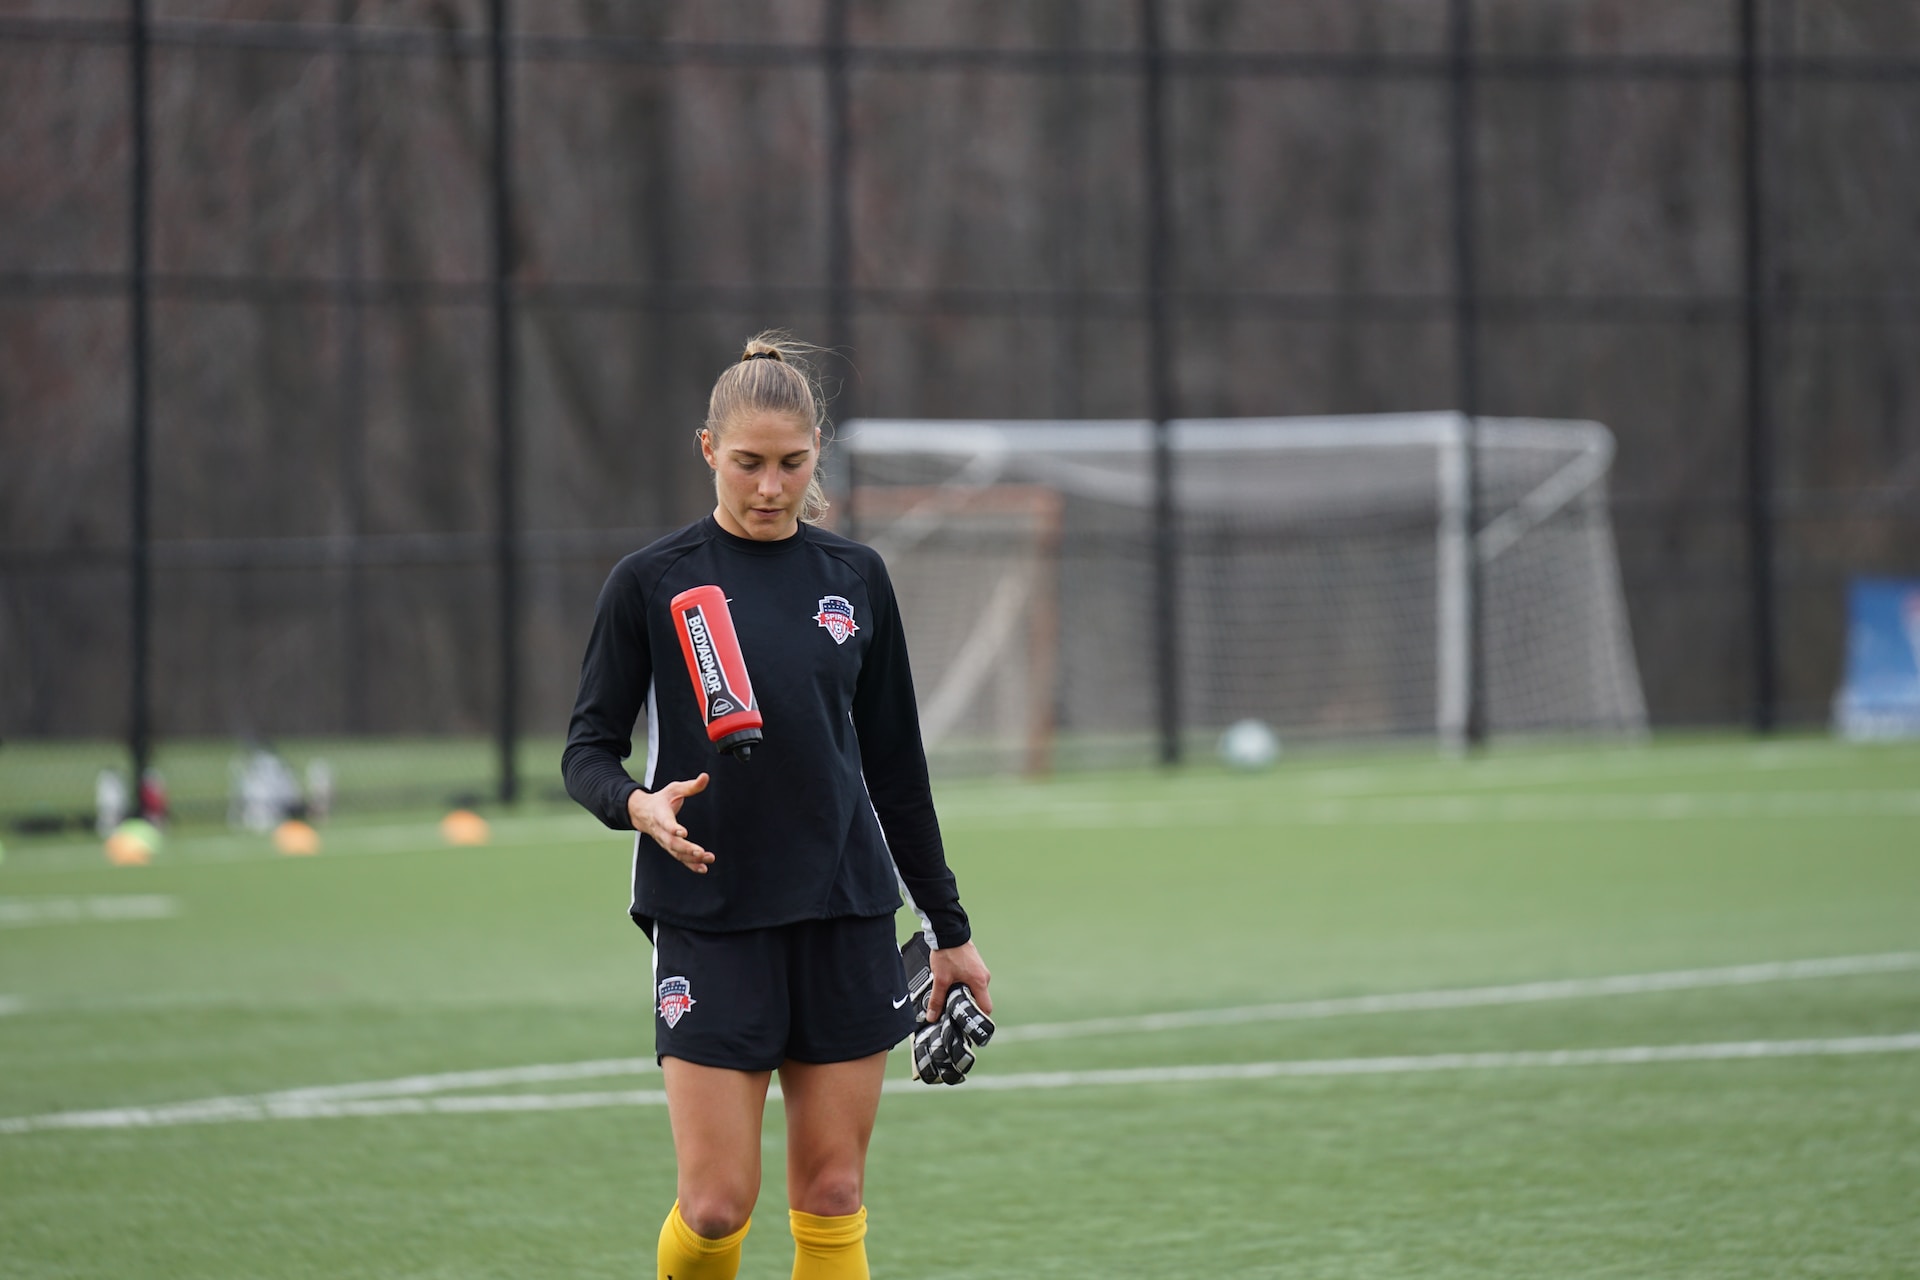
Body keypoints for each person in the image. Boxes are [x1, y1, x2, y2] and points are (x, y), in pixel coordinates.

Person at [562, 333, 991, 1280]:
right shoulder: (652, 580)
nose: (770, 487)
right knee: (715, 1210)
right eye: (749, 464)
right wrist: (635, 805)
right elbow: (585, 751)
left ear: (817, 455)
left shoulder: (855, 579)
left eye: (792, 465)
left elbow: (896, 770)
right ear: (708, 450)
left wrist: (949, 929)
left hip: (844, 910)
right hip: (711, 915)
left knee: (833, 1196)